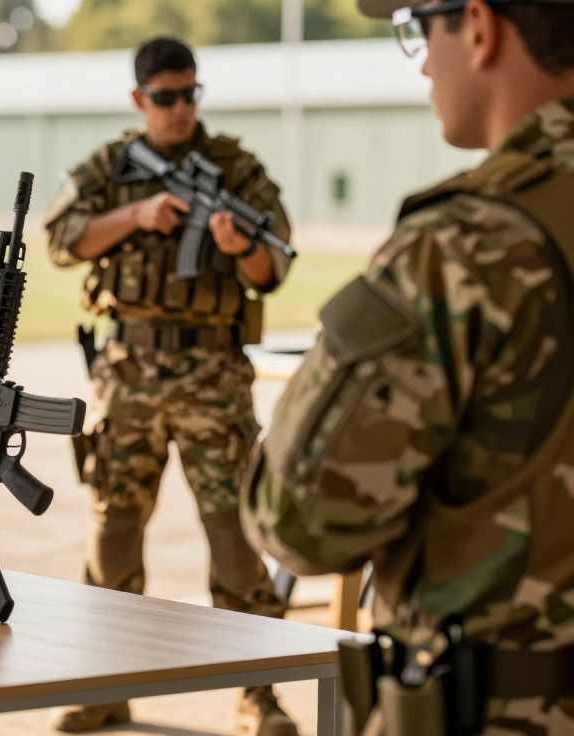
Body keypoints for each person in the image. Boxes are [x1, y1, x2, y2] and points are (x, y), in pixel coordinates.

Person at [242, 0, 574, 733]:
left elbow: (299, 521)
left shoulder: (461, 247)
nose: (423, 60)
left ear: (481, 28)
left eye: (420, 28)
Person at [44, 37, 297, 735]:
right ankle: (106, 684)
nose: (181, 109)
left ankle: (258, 693)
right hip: (127, 374)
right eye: (166, 97)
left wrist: (240, 247)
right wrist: (136, 214)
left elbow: (275, 267)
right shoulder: (110, 167)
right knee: (114, 536)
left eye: (190, 94)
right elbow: (61, 239)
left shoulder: (234, 170)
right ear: (139, 101)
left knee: (236, 538)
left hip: (212, 374)